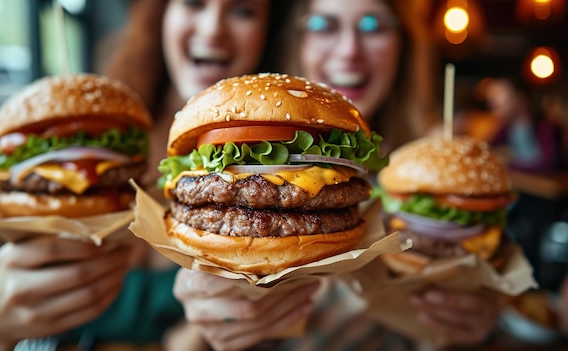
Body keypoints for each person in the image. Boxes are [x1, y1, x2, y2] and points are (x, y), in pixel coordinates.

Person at [0, 0, 295, 349]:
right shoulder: (42, 163)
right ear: (160, 15)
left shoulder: (283, 183)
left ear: (268, 32)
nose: (212, 29)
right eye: (193, 3)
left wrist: (199, 337)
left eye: (242, 10)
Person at [172, 1, 506, 350]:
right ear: (298, 41)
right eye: (323, 25)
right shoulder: (236, 109)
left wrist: (480, 315)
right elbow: (174, 341)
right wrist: (204, 327)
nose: (349, 50)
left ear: (403, 44)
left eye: (373, 25)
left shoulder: (444, 169)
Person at [483, 76, 563, 173]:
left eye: (498, 94)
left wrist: (505, 163)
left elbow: (549, 165)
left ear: (519, 98)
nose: (492, 101)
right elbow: (484, 151)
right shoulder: (505, 129)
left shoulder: (547, 128)